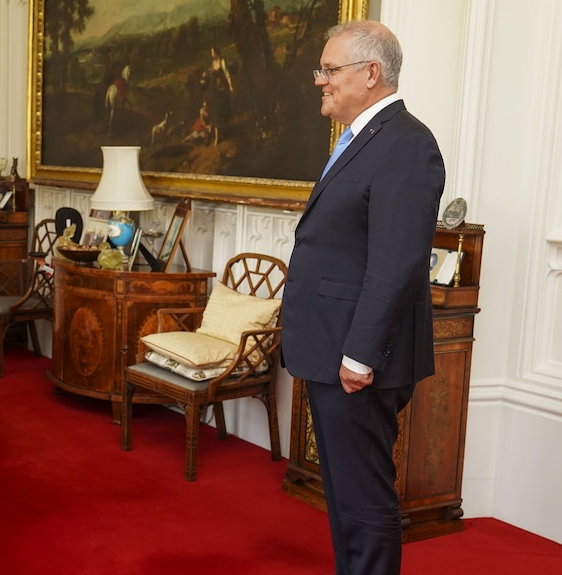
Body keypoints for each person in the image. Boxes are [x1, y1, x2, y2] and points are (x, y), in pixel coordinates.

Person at [280, 21, 445, 575]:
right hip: (332, 345)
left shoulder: (407, 143)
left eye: (331, 70)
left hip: (358, 355)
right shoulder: (360, 139)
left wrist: (360, 354)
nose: (320, 81)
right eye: (321, 69)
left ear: (371, 73)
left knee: (364, 497)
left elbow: (396, 261)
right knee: (345, 495)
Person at [202, 46, 233, 146]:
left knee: (221, 113)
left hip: (222, 90)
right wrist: (205, 74)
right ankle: (216, 137)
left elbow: (227, 73)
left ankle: (222, 135)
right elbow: (211, 74)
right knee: (215, 114)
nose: (211, 54)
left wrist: (231, 86)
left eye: (212, 52)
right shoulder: (213, 63)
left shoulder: (222, 61)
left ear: (216, 53)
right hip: (215, 92)